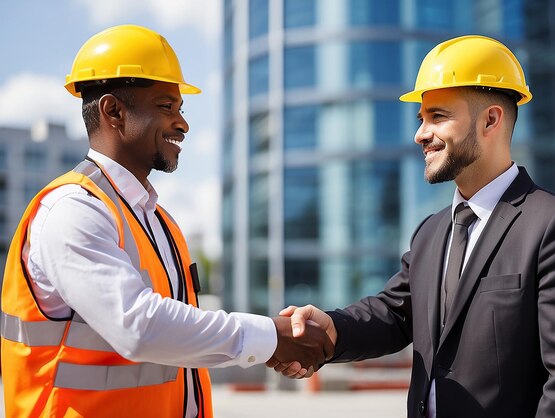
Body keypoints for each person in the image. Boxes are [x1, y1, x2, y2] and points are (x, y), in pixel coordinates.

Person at [267, 35, 555, 417]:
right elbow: (395, 314)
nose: (420, 134)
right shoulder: (431, 233)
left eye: (438, 116)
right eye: (421, 119)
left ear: (490, 119)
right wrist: (331, 329)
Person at [0, 24, 331, 418]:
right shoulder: (73, 209)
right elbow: (138, 326)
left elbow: (181, 338)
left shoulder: (159, 222)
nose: (183, 123)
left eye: (180, 109)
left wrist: (270, 343)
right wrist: (270, 337)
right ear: (113, 111)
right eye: (165, 106)